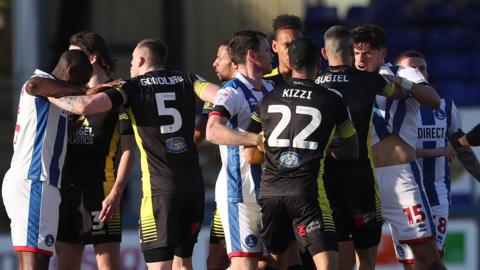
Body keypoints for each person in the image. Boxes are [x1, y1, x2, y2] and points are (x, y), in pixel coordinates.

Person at [26, 38, 219, 270]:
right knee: (184, 264)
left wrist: (46, 91)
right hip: (191, 185)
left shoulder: (130, 87)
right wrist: (206, 119)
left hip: (143, 190)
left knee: (158, 266)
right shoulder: (188, 78)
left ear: (140, 60)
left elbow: (86, 109)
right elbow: (222, 96)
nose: (130, 66)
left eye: (132, 61)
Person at [245, 36, 359, 270]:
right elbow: (353, 148)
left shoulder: (267, 98)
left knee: (275, 262)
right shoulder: (332, 99)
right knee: (327, 264)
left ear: (290, 61)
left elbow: (250, 155)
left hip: (271, 193)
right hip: (307, 194)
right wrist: (330, 152)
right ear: (319, 60)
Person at [352, 24, 447, 270]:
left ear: (383, 53)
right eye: (357, 52)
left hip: (400, 178)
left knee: (426, 260)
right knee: (360, 261)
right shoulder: (347, 79)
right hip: (362, 178)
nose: (361, 59)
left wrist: (397, 83)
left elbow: (434, 101)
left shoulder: (404, 73)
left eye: (368, 52)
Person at [315, 25, 408, 270]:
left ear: (325, 54)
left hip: (325, 182)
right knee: (366, 261)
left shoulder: (314, 83)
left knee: (337, 261)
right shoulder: (370, 81)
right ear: (351, 51)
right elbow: (399, 94)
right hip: (361, 180)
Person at [2, 50, 92, 270]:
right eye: (82, 80)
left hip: (38, 182)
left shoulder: (53, 96)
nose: (84, 87)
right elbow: (33, 85)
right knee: (35, 262)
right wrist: (85, 91)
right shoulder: (42, 85)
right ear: (70, 71)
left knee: (37, 259)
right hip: (35, 181)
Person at [55, 31, 136, 270]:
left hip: (101, 188)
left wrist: (117, 192)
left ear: (91, 58)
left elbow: (129, 150)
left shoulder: (119, 92)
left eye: (74, 55)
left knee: (108, 265)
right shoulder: (65, 94)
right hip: (67, 188)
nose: (68, 61)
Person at [393, 50, 480, 267]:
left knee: (433, 258)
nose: (417, 72)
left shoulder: (446, 106)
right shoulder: (391, 109)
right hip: (404, 193)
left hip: (437, 192)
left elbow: (462, 147)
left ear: (428, 73)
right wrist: (434, 152)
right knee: (411, 263)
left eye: (421, 68)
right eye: (411, 68)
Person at [205, 30, 274, 270]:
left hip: (268, 190)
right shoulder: (231, 91)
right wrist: (255, 138)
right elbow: (212, 131)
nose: (271, 54)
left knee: (270, 262)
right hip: (239, 191)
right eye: (266, 49)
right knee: (244, 264)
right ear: (252, 55)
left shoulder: (270, 88)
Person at [205, 41, 238, 270]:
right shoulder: (219, 95)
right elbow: (201, 133)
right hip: (228, 188)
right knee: (216, 259)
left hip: (255, 190)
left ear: (235, 62)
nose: (214, 63)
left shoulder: (264, 88)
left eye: (220, 57)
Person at [264, 14, 304, 85]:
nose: (292, 50)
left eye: (297, 44)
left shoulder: (312, 79)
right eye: (287, 45)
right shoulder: (265, 81)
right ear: (275, 46)